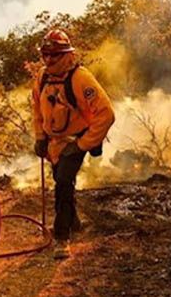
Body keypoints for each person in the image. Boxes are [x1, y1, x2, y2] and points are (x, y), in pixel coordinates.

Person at [31, 29, 115, 259]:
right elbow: (37, 109)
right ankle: (74, 222)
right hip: (54, 143)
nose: (49, 60)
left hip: (75, 141)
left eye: (54, 55)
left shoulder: (81, 79)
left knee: (63, 182)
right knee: (61, 180)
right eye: (45, 55)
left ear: (68, 55)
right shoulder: (42, 77)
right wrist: (40, 137)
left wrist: (81, 145)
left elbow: (106, 114)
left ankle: (62, 237)